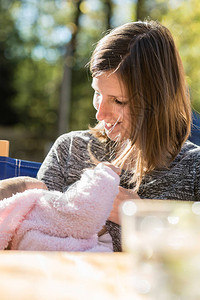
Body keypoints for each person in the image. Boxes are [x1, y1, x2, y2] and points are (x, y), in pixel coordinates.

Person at [37, 20, 200, 252]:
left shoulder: (194, 170)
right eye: (97, 93)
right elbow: (27, 226)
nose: (100, 113)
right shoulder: (70, 149)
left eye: (118, 100)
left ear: (158, 101)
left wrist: (143, 217)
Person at [0, 163, 120, 251]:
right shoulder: (38, 205)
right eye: (46, 192)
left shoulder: (25, 241)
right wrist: (104, 175)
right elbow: (80, 213)